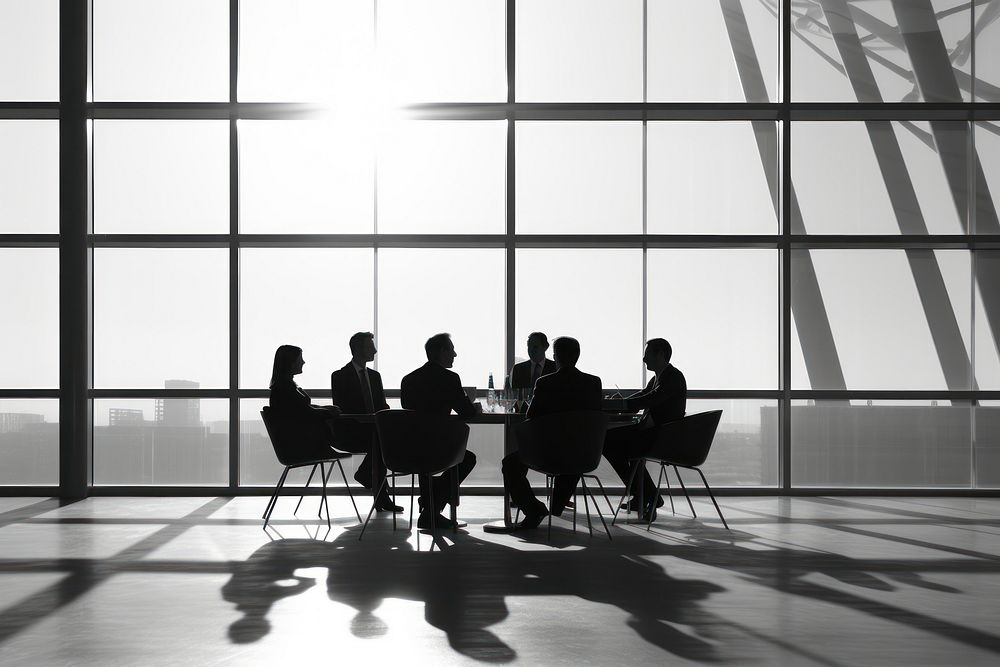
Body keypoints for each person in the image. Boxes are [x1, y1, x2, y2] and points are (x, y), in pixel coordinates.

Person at [488, 337, 602, 532]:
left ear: (555, 356)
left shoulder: (546, 382)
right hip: (584, 454)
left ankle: (534, 510)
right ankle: (555, 510)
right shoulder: (593, 383)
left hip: (550, 454)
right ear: (578, 356)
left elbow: (531, 415)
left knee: (510, 464)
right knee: (570, 455)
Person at [399, 333, 480, 530]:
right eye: (451, 350)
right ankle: (431, 509)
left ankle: (430, 505)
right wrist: (475, 407)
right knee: (466, 458)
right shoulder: (450, 378)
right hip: (437, 448)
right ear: (442, 352)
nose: (455, 354)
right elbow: (466, 412)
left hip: (410, 448)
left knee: (425, 459)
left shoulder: (408, 380)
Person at [603, 338, 686, 521]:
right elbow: (645, 396)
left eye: (647, 354)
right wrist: (620, 403)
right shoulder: (661, 377)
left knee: (611, 442)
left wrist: (621, 403)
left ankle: (648, 495)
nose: (644, 359)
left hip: (663, 437)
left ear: (660, 355)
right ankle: (643, 495)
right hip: (657, 433)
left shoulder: (672, 377)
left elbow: (651, 399)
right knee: (614, 443)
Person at [331, 332, 401, 513]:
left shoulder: (375, 376)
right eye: (370, 347)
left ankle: (373, 487)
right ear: (357, 349)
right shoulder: (339, 376)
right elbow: (342, 408)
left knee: (382, 439)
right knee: (382, 441)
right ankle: (380, 494)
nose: (375, 351)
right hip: (351, 431)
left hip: (373, 430)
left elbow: (382, 404)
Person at [268, 344, 341, 460]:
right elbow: (303, 412)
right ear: (290, 362)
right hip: (302, 445)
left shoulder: (285, 386)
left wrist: (325, 409)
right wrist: (327, 412)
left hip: (298, 442)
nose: (303, 362)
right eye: (300, 359)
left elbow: (301, 408)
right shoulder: (285, 388)